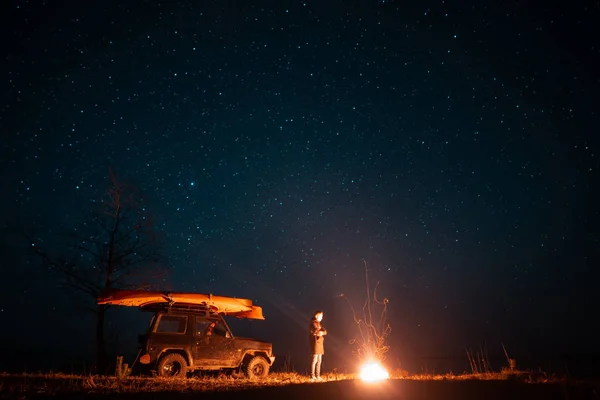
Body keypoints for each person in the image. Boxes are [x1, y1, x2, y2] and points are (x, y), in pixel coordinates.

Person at [309, 310, 327, 380]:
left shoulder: (319, 324)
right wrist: (319, 332)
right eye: (321, 316)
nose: (322, 318)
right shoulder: (313, 323)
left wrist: (321, 332)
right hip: (316, 344)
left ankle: (318, 375)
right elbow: (316, 330)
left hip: (320, 344)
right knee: (315, 360)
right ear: (317, 316)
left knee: (319, 361)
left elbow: (325, 331)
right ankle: (312, 376)